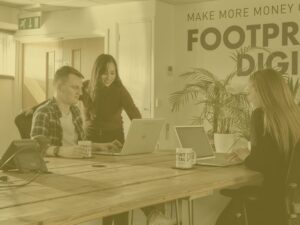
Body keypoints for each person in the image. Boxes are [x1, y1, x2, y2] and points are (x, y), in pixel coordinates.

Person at [216, 68, 300, 225]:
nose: (247, 92)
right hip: (288, 203)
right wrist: (250, 154)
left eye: (251, 87)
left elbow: (261, 162)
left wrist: (247, 155)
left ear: (263, 90)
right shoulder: (293, 116)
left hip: (268, 201)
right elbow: (275, 157)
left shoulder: (261, 115)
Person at [31, 65, 121, 158]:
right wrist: (61, 151)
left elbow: (78, 144)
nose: (80, 93)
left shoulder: (75, 111)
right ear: (60, 88)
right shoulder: (43, 113)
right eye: (75, 87)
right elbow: (35, 147)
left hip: (78, 163)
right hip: (57, 167)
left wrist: (101, 146)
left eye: (81, 88)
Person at [81, 54, 141, 144]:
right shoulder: (85, 86)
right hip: (90, 137)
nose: (109, 77)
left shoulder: (120, 90)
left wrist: (140, 138)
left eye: (112, 73)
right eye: (105, 73)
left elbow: (134, 114)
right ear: (97, 72)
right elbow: (68, 99)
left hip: (114, 138)